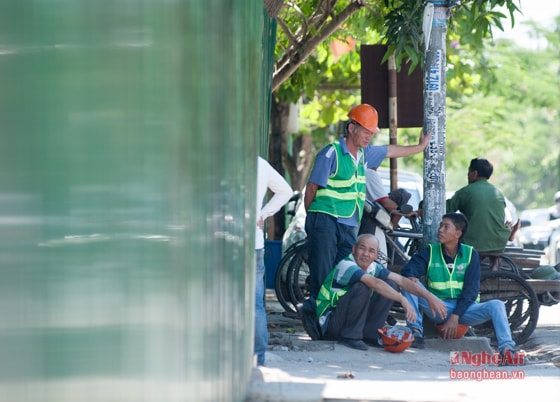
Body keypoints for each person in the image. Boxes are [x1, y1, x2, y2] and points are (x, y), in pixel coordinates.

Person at [300, 103, 431, 333]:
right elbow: (311, 189)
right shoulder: (331, 152)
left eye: (372, 133)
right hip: (326, 219)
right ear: (351, 128)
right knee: (322, 273)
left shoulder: (364, 155)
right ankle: (316, 321)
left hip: (348, 224)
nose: (369, 137)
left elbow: (391, 150)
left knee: (350, 272)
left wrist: (420, 147)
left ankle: (337, 323)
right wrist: (314, 220)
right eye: (366, 131)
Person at [400, 213, 517, 362]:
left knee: (497, 305)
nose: (440, 230)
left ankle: (507, 350)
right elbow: (410, 269)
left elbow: (471, 291)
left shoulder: (470, 254)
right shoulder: (430, 251)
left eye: (445, 226)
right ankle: (415, 331)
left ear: (457, 234)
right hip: (437, 307)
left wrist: (455, 316)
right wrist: (412, 275)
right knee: (408, 283)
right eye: (441, 225)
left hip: (465, 310)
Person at [306, 234, 447, 350]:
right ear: (354, 249)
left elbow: (401, 281)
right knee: (364, 285)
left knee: (391, 283)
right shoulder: (346, 265)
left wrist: (429, 296)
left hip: (347, 318)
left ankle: (370, 335)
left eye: (371, 251)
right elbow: (374, 283)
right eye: (362, 249)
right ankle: (350, 337)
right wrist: (402, 299)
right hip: (332, 324)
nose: (366, 254)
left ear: (376, 255)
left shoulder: (374, 267)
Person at [255, 156, 293, 366]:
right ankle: (258, 358)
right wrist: (262, 214)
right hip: (255, 243)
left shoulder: (222, 160)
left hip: (225, 242)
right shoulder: (259, 163)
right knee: (255, 305)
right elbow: (286, 191)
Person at [446, 158, 511, 271]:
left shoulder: (466, 192)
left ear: (474, 173)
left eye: (469, 172)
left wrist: (423, 207)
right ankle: (494, 268)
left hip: (473, 242)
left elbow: (446, 208)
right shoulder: (498, 193)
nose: (467, 175)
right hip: (498, 243)